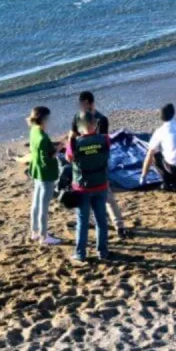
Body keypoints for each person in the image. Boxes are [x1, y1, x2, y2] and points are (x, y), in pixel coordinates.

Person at [71, 91, 130, 239]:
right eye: (80, 104)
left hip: (98, 162)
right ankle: (96, 221)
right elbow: (73, 137)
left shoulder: (102, 119)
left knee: (107, 195)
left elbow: (104, 141)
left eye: (84, 104)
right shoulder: (77, 117)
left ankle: (119, 225)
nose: (81, 107)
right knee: (90, 195)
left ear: (91, 103)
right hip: (84, 162)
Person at [66, 111, 110, 263]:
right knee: (101, 220)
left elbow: (69, 158)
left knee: (82, 222)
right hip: (100, 185)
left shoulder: (75, 143)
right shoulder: (104, 139)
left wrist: (71, 137)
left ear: (78, 127)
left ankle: (80, 254)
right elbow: (106, 150)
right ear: (95, 123)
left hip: (82, 188)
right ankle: (102, 251)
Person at [140, 103, 176, 191]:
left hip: (175, 169)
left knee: (155, 155)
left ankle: (168, 183)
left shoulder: (160, 131)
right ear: (173, 114)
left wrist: (143, 176)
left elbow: (149, 155)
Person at [27, 106, 61, 246]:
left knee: (36, 203)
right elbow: (47, 158)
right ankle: (44, 236)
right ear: (44, 119)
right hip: (45, 174)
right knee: (44, 206)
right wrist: (58, 149)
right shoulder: (42, 137)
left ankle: (34, 231)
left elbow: (41, 149)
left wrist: (54, 146)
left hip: (36, 171)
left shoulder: (34, 130)